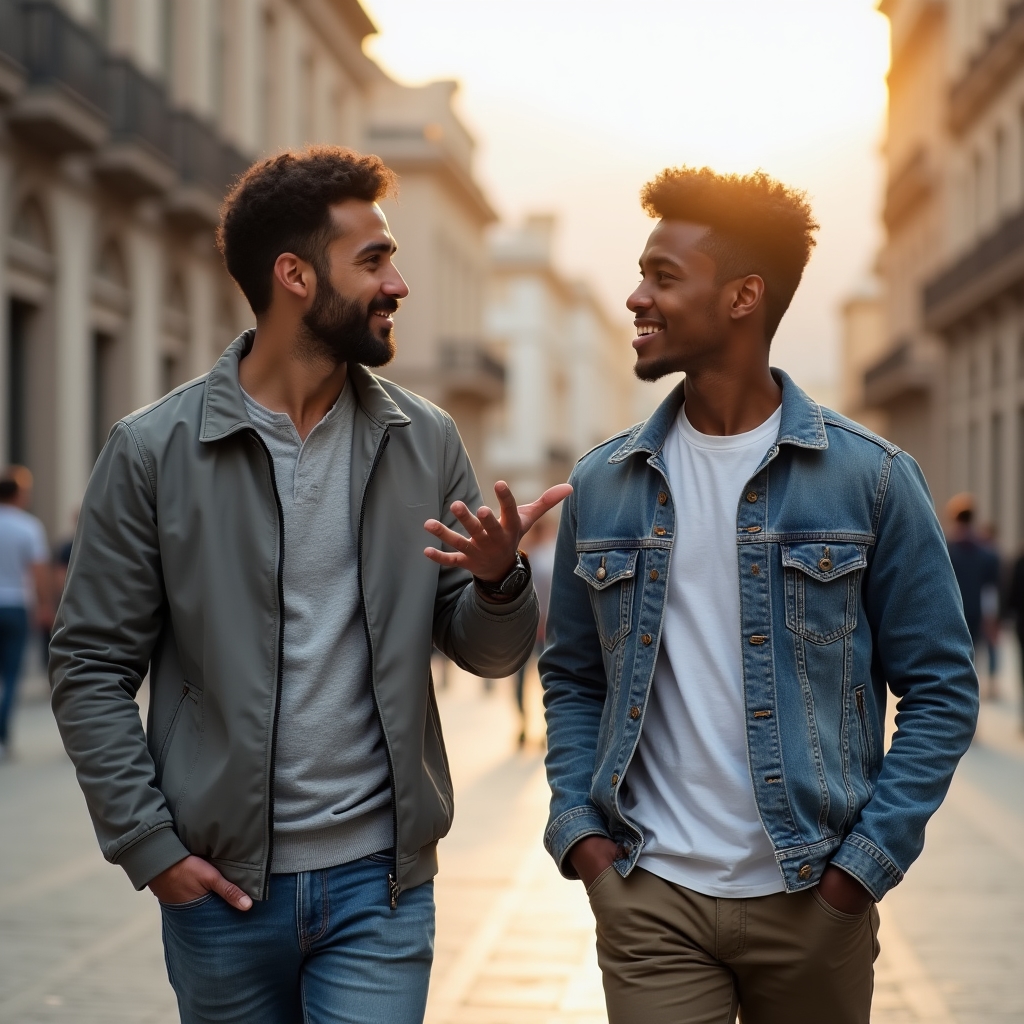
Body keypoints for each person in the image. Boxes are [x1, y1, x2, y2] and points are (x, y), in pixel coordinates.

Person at [50, 146, 569, 1024]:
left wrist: (498, 583)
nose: (398, 284)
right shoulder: (153, 451)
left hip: (381, 886)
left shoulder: (425, 440)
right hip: (222, 895)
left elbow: (488, 655)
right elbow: (90, 665)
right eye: (373, 261)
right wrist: (150, 847)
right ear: (294, 276)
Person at [540, 166, 979, 1024]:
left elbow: (941, 687)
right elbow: (573, 677)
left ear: (744, 296)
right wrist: (584, 840)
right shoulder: (602, 483)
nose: (636, 297)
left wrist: (860, 872)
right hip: (651, 896)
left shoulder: (872, 479)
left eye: (664, 277)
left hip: (813, 896)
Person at [0, 466, 52, 760]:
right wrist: (44, 605)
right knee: (11, 674)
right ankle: (2, 736)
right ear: (19, 494)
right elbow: (38, 572)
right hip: (16, 604)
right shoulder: (28, 527)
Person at [946, 494, 1001, 697]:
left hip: (951, 611)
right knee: (974, 658)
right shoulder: (987, 553)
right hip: (976, 611)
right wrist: (992, 618)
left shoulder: (945, 549)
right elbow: (990, 590)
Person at [514, 514, 557, 745]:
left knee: (526, 680)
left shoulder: (536, 557)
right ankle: (539, 727)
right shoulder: (544, 556)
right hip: (542, 628)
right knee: (544, 680)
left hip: (530, 629)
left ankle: (525, 724)